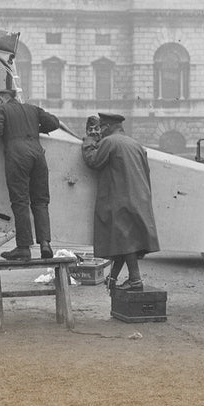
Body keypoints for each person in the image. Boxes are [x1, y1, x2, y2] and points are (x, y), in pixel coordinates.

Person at [81, 113, 160, 292]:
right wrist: (113, 276)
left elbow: (93, 161)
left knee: (125, 239)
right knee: (125, 240)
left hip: (121, 199)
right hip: (139, 198)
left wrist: (88, 142)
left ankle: (135, 280)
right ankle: (117, 277)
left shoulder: (110, 142)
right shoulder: (135, 144)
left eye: (101, 128)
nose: (99, 131)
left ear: (107, 127)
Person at [0, 88, 60, 260]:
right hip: (38, 155)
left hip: (17, 155)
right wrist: (34, 129)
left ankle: (24, 247)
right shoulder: (32, 109)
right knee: (41, 201)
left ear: (1, 99)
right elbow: (54, 123)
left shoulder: (2, 109)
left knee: (20, 201)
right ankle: (45, 244)